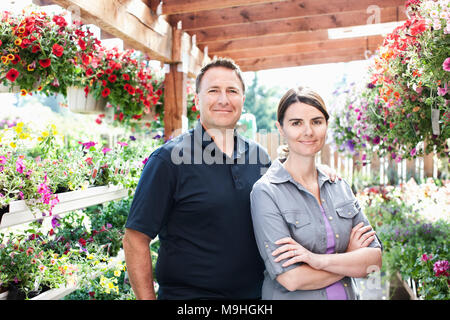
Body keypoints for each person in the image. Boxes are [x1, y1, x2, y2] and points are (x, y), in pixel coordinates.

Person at [123, 59, 338, 300]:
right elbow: (135, 239)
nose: (223, 99)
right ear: (197, 100)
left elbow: (293, 189)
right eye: (213, 91)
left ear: (242, 101)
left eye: (232, 91)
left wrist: (318, 171)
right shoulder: (169, 160)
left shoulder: (259, 156)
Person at [250, 86, 382, 300]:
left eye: (316, 121)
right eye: (296, 123)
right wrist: (350, 259)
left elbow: (373, 261)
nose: (308, 131)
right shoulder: (266, 192)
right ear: (281, 129)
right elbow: (291, 278)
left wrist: (315, 260)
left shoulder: (338, 185)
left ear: (326, 125)